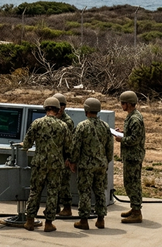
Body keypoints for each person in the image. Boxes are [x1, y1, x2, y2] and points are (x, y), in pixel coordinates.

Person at [18, 97, 71, 232]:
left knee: (35, 191)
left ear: (46, 108)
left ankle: (30, 221)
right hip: (56, 165)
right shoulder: (63, 126)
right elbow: (69, 148)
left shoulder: (37, 123)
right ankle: (48, 223)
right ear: (58, 109)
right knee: (53, 192)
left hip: (39, 163)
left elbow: (27, 143)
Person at [69, 98, 113, 229]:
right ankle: (100, 219)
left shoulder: (82, 126)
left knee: (85, 192)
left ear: (86, 110)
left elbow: (76, 147)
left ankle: (84, 220)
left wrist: (72, 161)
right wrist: (106, 161)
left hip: (86, 166)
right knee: (100, 191)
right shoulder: (105, 126)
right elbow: (109, 149)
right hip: (101, 165)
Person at [115, 90, 146, 223]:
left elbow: (135, 139)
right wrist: (122, 133)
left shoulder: (135, 118)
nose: (122, 105)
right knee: (129, 183)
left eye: (123, 103)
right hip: (130, 156)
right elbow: (131, 134)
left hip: (133, 157)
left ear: (128, 103)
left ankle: (137, 212)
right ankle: (134, 208)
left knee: (133, 184)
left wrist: (122, 139)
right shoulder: (131, 116)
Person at [53, 93, 75, 217]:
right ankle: (54, 207)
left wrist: (69, 158)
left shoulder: (67, 122)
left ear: (64, 107)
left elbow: (69, 143)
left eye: (60, 106)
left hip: (63, 157)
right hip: (53, 157)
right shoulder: (52, 119)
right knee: (53, 183)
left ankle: (67, 208)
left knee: (64, 184)